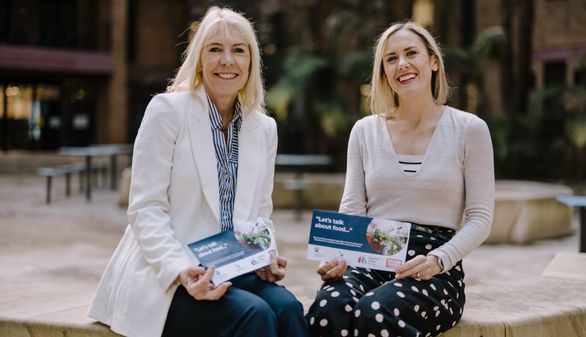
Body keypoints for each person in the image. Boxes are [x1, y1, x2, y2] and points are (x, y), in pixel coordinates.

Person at [88, 7, 309, 337]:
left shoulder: (263, 128)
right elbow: (146, 210)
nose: (227, 61)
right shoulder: (167, 112)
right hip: (169, 273)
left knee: (289, 310)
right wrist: (181, 270)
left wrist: (264, 255)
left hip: (234, 267)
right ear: (199, 58)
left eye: (238, 50)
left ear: (251, 61)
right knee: (256, 316)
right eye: (215, 49)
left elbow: (260, 213)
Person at [305, 21, 494, 337]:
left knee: (377, 310)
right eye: (391, 58)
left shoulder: (470, 129)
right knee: (330, 306)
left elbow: (480, 218)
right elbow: (353, 208)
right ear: (383, 71)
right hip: (371, 255)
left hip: (434, 269)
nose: (401, 64)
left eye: (411, 53)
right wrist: (340, 256)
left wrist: (438, 259)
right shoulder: (364, 131)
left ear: (433, 62)